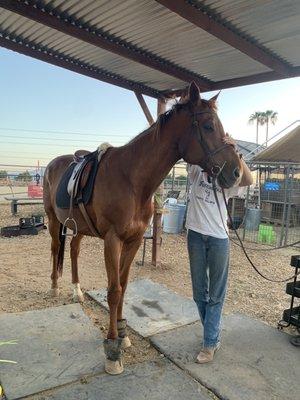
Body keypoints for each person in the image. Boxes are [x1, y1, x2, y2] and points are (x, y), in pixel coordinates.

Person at [186, 134, 253, 363]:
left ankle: (209, 344)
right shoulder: (196, 171)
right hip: (195, 235)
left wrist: (235, 152)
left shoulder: (228, 179)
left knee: (216, 294)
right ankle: (212, 335)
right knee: (198, 293)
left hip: (219, 239)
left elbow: (249, 179)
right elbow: (193, 148)